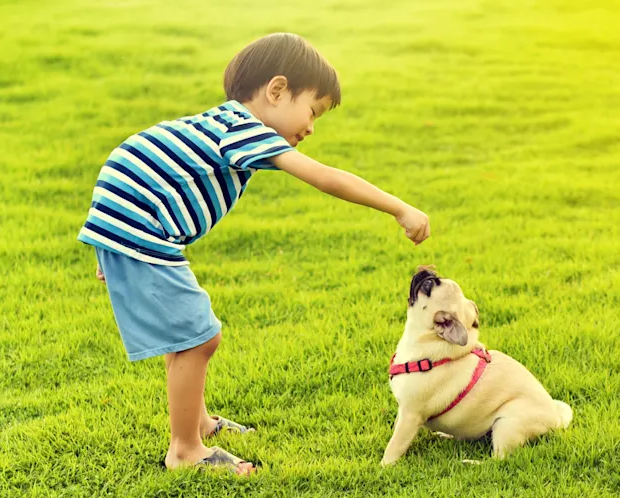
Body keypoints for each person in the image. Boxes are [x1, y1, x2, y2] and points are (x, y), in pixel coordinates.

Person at [78, 32, 430, 475]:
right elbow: (322, 176)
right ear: (277, 90)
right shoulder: (246, 128)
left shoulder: (224, 124)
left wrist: (107, 244)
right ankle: (185, 450)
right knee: (200, 337)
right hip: (139, 231)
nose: (311, 127)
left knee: (184, 334)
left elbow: (141, 166)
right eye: (312, 110)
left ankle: (199, 422)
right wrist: (399, 207)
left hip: (127, 224)